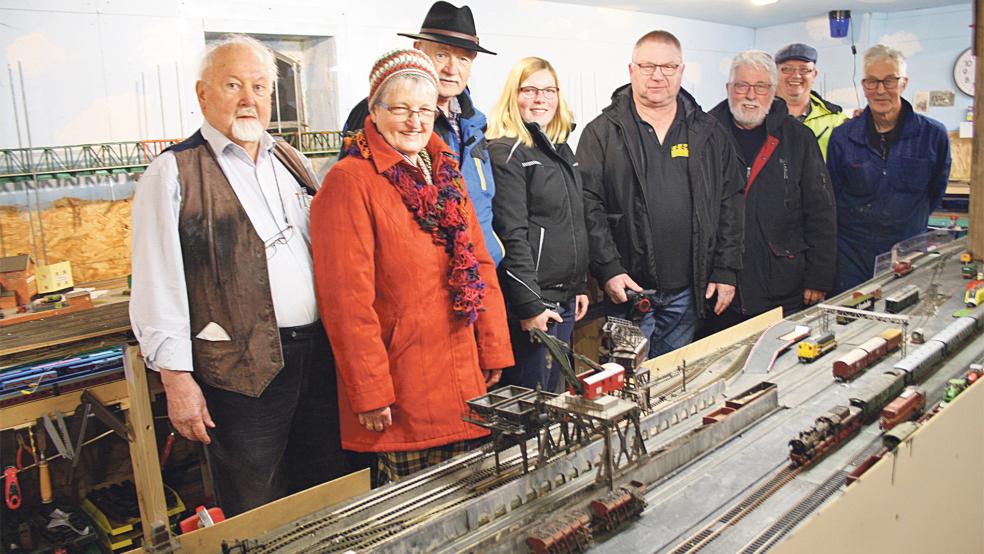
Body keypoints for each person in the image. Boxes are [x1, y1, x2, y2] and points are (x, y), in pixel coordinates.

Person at [129, 35, 344, 516]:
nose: (249, 99)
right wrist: (177, 379)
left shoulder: (291, 161)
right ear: (203, 94)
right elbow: (156, 282)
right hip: (241, 369)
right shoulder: (173, 173)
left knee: (328, 487)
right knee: (257, 501)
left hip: (317, 358)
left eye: (260, 86)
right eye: (233, 85)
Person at [312, 48, 514, 483]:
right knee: (418, 521)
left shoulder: (447, 172)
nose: (415, 121)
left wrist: (494, 344)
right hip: (404, 391)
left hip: (463, 377)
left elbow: (479, 263)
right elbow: (346, 303)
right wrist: (368, 391)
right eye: (400, 108)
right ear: (374, 110)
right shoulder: (348, 182)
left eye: (424, 109)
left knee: (475, 508)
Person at [577, 30, 745, 358]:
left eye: (668, 67)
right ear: (631, 71)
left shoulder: (709, 133)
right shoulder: (602, 133)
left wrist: (726, 269)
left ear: (681, 71)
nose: (658, 75)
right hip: (627, 291)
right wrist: (608, 268)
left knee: (670, 380)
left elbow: (730, 202)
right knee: (626, 385)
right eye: (648, 66)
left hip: (687, 292)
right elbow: (588, 205)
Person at [339, 1, 504, 266]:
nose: (452, 68)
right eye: (441, 54)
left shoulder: (474, 122)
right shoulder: (379, 115)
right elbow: (356, 205)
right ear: (418, 50)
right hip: (425, 282)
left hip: (479, 277)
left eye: (463, 58)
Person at [701, 51, 836, 336]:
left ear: (773, 92)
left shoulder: (798, 137)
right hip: (718, 289)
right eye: (741, 86)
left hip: (783, 285)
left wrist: (819, 276)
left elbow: (821, 212)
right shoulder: (704, 135)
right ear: (728, 90)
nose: (751, 95)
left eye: (761, 86)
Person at [486, 57, 589, 391]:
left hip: (565, 297)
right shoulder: (507, 152)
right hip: (536, 301)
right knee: (532, 405)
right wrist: (529, 306)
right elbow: (510, 235)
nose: (540, 98)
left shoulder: (559, 150)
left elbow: (572, 224)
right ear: (513, 96)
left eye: (549, 90)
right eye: (529, 90)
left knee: (555, 398)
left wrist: (580, 286)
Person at [827, 44, 951, 293]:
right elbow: (832, 195)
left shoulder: (933, 135)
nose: (880, 90)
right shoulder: (842, 137)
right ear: (863, 86)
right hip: (852, 255)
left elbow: (935, 191)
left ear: (903, 83)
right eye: (872, 82)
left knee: (903, 316)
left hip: (908, 251)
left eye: (889, 81)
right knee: (849, 320)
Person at [773, 43, 849, 160]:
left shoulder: (836, 120)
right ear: (775, 73)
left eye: (804, 70)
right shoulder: (759, 115)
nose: (796, 76)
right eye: (787, 69)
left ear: (814, 74)